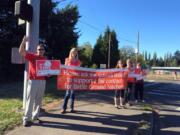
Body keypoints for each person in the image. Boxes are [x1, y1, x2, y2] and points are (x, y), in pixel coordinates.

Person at [19, 36, 47, 127]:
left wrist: (49, 74)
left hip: (42, 82)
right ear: (37, 50)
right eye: (39, 49)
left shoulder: (46, 59)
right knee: (30, 100)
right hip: (33, 81)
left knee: (38, 101)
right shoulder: (32, 56)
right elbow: (21, 52)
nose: (41, 50)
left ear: (44, 51)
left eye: (42, 49)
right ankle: (26, 119)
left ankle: (35, 116)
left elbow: (48, 72)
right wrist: (23, 41)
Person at [60, 48, 81, 114]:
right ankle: (64, 108)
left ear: (76, 53)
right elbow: (64, 69)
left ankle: (72, 108)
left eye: (75, 52)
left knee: (73, 94)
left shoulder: (78, 61)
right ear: (70, 52)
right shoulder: (67, 60)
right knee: (67, 94)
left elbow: (79, 70)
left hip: (75, 79)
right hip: (68, 79)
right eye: (73, 52)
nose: (74, 53)